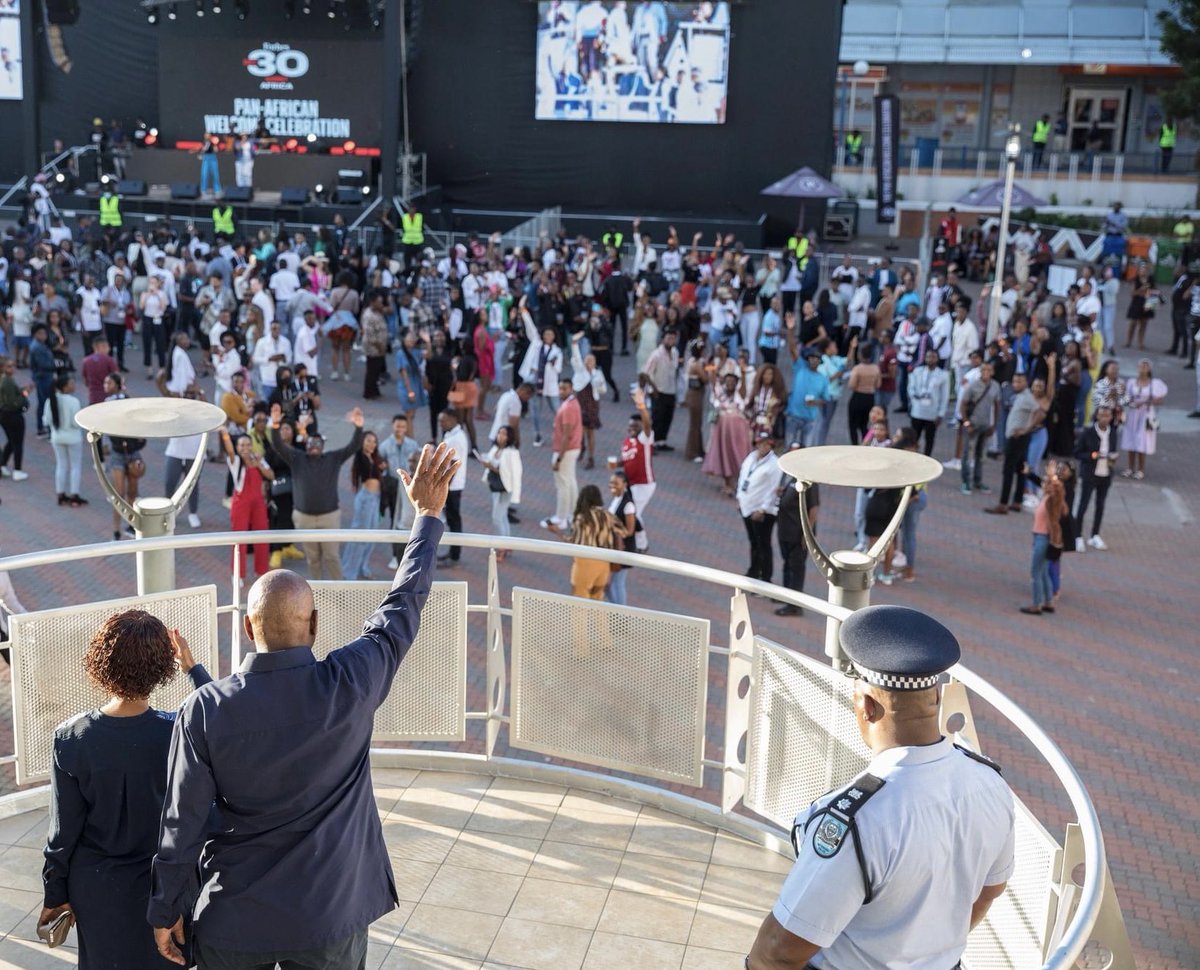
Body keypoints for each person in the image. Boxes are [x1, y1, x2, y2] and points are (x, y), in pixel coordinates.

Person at [148, 445, 459, 968]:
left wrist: (165, 909)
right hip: (329, 918)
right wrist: (427, 517)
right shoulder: (351, 682)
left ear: (249, 629)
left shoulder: (205, 709)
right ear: (314, 626)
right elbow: (403, 605)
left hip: (234, 920)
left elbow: (181, 822)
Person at [748, 605, 1014, 970]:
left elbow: (780, 950)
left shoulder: (857, 820)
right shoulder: (990, 784)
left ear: (867, 705)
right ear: (935, 697)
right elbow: (989, 891)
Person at [40, 613, 210, 970]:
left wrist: (55, 892)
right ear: (161, 667)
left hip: (97, 890)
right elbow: (220, 712)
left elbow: (63, 832)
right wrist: (193, 669)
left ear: (100, 662)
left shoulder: (71, 737)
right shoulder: (178, 733)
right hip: (164, 891)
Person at [268, 403, 365, 579]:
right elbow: (278, 445)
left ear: (323, 445)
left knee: (332, 557)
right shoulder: (297, 458)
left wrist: (358, 427)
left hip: (329, 517)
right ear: (306, 444)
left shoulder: (333, 458)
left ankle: (340, 592)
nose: (314, 446)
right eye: (311, 442)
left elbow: (353, 446)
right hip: (304, 517)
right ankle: (316, 593)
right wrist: (275, 425)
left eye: (318, 443)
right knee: (313, 559)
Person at [220, 429, 275, 583]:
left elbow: (271, 475)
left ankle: (262, 571)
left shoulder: (257, 458)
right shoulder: (234, 460)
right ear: (237, 448)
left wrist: (260, 465)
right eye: (242, 445)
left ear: (251, 445)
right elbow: (229, 449)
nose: (245, 448)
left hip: (258, 502)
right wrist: (225, 435)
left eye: (247, 444)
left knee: (262, 536)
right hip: (241, 503)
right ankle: (237, 574)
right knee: (239, 539)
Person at [773, 441, 819, 617]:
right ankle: (785, 595)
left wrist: (807, 534)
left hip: (798, 533)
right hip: (785, 530)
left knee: (796, 568)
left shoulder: (809, 481)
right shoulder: (790, 476)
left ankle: (794, 604)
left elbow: (813, 509)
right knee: (787, 564)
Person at [984, 373, 1039, 515]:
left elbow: (1039, 413)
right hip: (1016, 438)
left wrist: (1026, 429)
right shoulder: (1020, 396)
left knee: (1008, 470)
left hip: (1017, 439)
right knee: (1021, 469)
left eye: (1019, 382)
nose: (1016, 384)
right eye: (1014, 381)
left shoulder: (1027, 397)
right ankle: (1017, 501)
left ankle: (1003, 503)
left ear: (1026, 383)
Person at [103, 372, 146, 541]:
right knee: (119, 493)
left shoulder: (121, 401)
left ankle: (130, 526)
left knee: (132, 492)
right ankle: (116, 529)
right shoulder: (108, 403)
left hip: (130, 451)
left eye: (109, 382)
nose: (106, 385)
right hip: (118, 452)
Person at [1021, 461, 1067, 615]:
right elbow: (1042, 483)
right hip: (1040, 535)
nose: (1047, 471)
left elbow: (1057, 493)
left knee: (1036, 572)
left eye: (1051, 468)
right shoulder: (1047, 491)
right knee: (1043, 571)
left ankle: (1037, 603)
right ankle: (1048, 601)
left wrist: (1053, 479)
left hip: (1044, 537)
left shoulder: (1055, 491)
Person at [341, 430, 387, 581]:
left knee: (372, 537)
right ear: (362, 441)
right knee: (360, 537)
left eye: (374, 441)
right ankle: (349, 572)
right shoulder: (360, 457)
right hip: (366, 499)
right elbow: (368, 471)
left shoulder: (373, 458)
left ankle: (363, 567)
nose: (371, 444)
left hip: (376, 499)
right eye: (368, 441)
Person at [736, 429, 781, 583]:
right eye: (760, 443)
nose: (763, 446)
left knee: (764, 545)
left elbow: (774, 490)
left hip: (762, 512)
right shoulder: (751, 457)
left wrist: (762, 509)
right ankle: (753, 571)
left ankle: (766, 578)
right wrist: (740, 500)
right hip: (747, 507)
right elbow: (743, 478)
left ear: (771, 445)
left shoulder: (774, 464)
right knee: (754, 542)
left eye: (766, 444)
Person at [379, 414, 422, 569]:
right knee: (394, 518)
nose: (400, 429)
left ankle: (408, 553)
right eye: (398, 426)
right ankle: (395, 555)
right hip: (392, 483)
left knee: (408, 517)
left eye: (403, 426)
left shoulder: (412, 444)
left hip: (408, 484)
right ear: (393, 425)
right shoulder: (385, 445)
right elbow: (380, 463)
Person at [1074, 404, 1117, 552]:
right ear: (1097, 416)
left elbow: (1113, 450)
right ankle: (1077, 536)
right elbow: (1077, 453)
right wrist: (1092, 455)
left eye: (1107, 416)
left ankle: (1095, 535)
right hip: (1090, 474)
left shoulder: (1113, 433)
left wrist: (1112, 458)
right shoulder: (1088, 433)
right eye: (1102, 415)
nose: (1104, 418)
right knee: (1083, 505)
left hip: (1105, 474)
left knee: (1100, 505)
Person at [703, 371, 752, 496]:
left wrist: (743, 373)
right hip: (722, 431)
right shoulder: (720, 395)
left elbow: (744, 395)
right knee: (724, 454)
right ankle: (727, 483)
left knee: (738, 454)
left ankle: (737, 483)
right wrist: (713, 376)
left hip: (737, 431)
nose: (730, 384)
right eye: (728, 381)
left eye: (733, 382)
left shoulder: (739, 395)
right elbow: (714, 388)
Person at [1119, 359, 1167, 480]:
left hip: (1146, 414)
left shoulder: (1154, 383)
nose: (1143, 368)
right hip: (1133, 413)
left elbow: (1160, 399)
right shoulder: (1131, 382)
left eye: (1146, 366)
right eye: (1141, 366)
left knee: (1142, 440)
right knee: (1131, 439)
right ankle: (1129, 467)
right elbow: (1126, 397)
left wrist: (1147, 401)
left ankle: (1140, 469)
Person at [545, 376, 582, 530]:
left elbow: (566, 434)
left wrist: (559, 458)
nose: (561, 391)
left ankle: (560, 518)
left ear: (571, 389)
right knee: (570, 482)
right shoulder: (573, 403)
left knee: (562, 484)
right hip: (573, 448)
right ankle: (573, 514)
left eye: (564, 388)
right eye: (560, 388)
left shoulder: (567, 408)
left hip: (565, 450)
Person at [45, 375, 87, 508]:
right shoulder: (73, 401)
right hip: (73, 438)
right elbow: (76, 423)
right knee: (75, 466)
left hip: (57, 437)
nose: (73, 385)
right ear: (64, 387)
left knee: (61, 465)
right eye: (71, 383)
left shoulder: (50, 401)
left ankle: (60, 493)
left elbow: (46, 420)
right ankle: (74, 494)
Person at [958, 362, 999, 495]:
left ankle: (978, 480)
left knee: (981, 455)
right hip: (973, 425)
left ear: (992, 371)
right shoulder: (973, 385)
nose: (986, 372)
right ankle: (965, 481)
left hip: (986, 426)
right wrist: (966, 423)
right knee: (967, 455)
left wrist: (994, 425)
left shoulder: (995, 386)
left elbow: (997, 406)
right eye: (983, 370)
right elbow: (963, 405)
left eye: (989, 369)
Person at [481, 425, 522, 557]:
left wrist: (516, 495)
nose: (501, 436)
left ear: (509, 437)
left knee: (497, 517)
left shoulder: (512, 453)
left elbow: (515, 474)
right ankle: (507, 543)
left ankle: (502, 547)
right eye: (499, 433)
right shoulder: (496, 449)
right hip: (495, 486)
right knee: (502, 516)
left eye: (504, 434)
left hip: (506, 488)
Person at [438, 408, 469, 566]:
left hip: (452, 487)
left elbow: (452, 466)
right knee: (452, 519)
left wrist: (444, 488)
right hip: (451, 486)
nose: (441, 424)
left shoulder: (456, 438)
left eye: (443, 421)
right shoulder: (452, 434)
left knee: (454, 519)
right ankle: (452, 552)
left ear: (452, 419)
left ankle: (455, 555)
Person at [605, 469, 640, 606]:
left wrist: (614, 527)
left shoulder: (628, 505)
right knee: (609, 584)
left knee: (615, 583)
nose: (612, 485)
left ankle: (621, 614)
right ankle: (618, 612)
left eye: (616, 483)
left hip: (623, 548)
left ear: (625, 484)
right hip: (614, 548)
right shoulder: (617, 499)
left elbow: (630, 531)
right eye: (611, 482)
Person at [906, 347, 949, 456]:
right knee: (914, 437)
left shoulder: (943, 375)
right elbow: (911, 387)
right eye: (928, 357)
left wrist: (940, 414)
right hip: (918, 410)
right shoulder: (918, 371)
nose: (930, 359)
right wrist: (914, 398)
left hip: (932, 412)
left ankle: (927, 459)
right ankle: (912, 456)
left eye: (933, 357)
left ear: (938, 359)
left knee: (929, 439)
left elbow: (944, 396)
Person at [0, 356, 30, 482]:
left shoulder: (6, 380)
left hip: (5, 414)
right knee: (17, 443)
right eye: (9, 366)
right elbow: (13, 402)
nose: (12, 368)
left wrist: (22, 390)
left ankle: (3, 465)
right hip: (12, 414)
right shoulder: (6, 381)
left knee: (12, 441)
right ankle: (17, 470)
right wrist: (24, 395)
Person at [80, 335, 119, 405]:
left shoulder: (86, 361)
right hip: (108, 397)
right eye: (107, 346)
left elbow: (85, 380)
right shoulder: (109, 360)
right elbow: (117, 377)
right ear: (101, 346)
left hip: (93, 397)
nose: (109, 349)